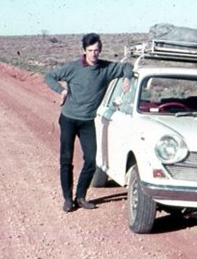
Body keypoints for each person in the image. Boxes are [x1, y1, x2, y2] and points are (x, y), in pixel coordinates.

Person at [45, 33, 134, 212]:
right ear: (84, 51)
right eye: (90, 50)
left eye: (97, 50)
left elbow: (127, 66)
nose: (94, 54)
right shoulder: (73, 68)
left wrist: (126, 78)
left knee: (91, 160)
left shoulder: (105, 68)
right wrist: (61, 90)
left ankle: (81, 196)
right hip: (69, 119)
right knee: (66, 159)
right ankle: (68, 199)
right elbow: (49, 76)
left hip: (87, 121)